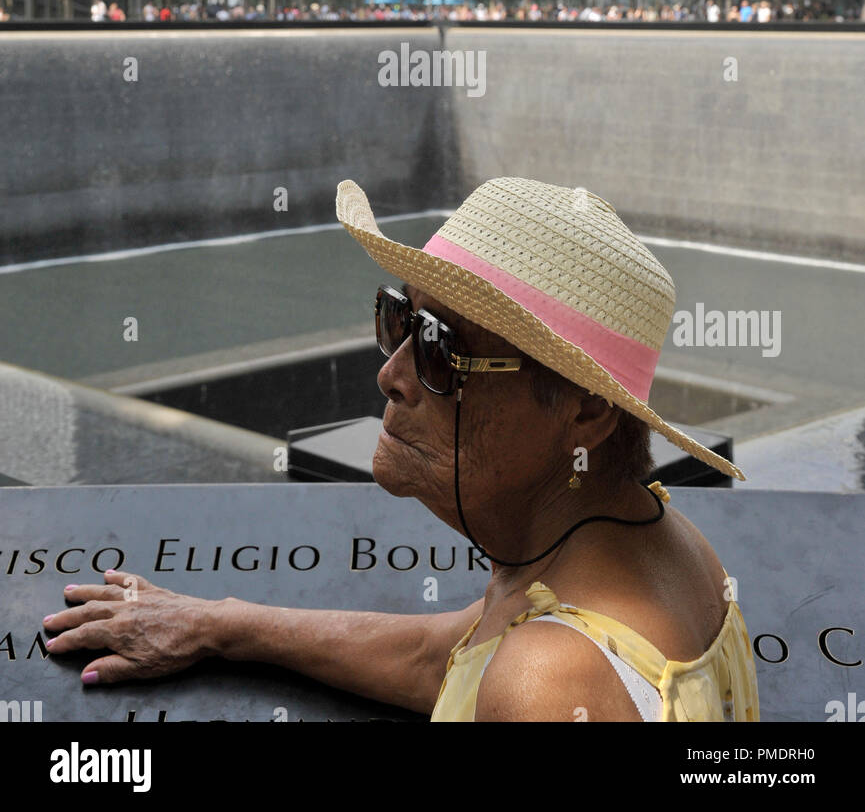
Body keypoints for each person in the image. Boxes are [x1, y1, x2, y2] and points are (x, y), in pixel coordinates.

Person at [43, 178, 759, 723]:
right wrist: (221, 624)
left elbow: (515, 673)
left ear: (585, 411)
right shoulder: (653, 545)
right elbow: (449, 657)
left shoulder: (548, 680)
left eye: (444, 350)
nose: (390, 375)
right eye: (400, 320)